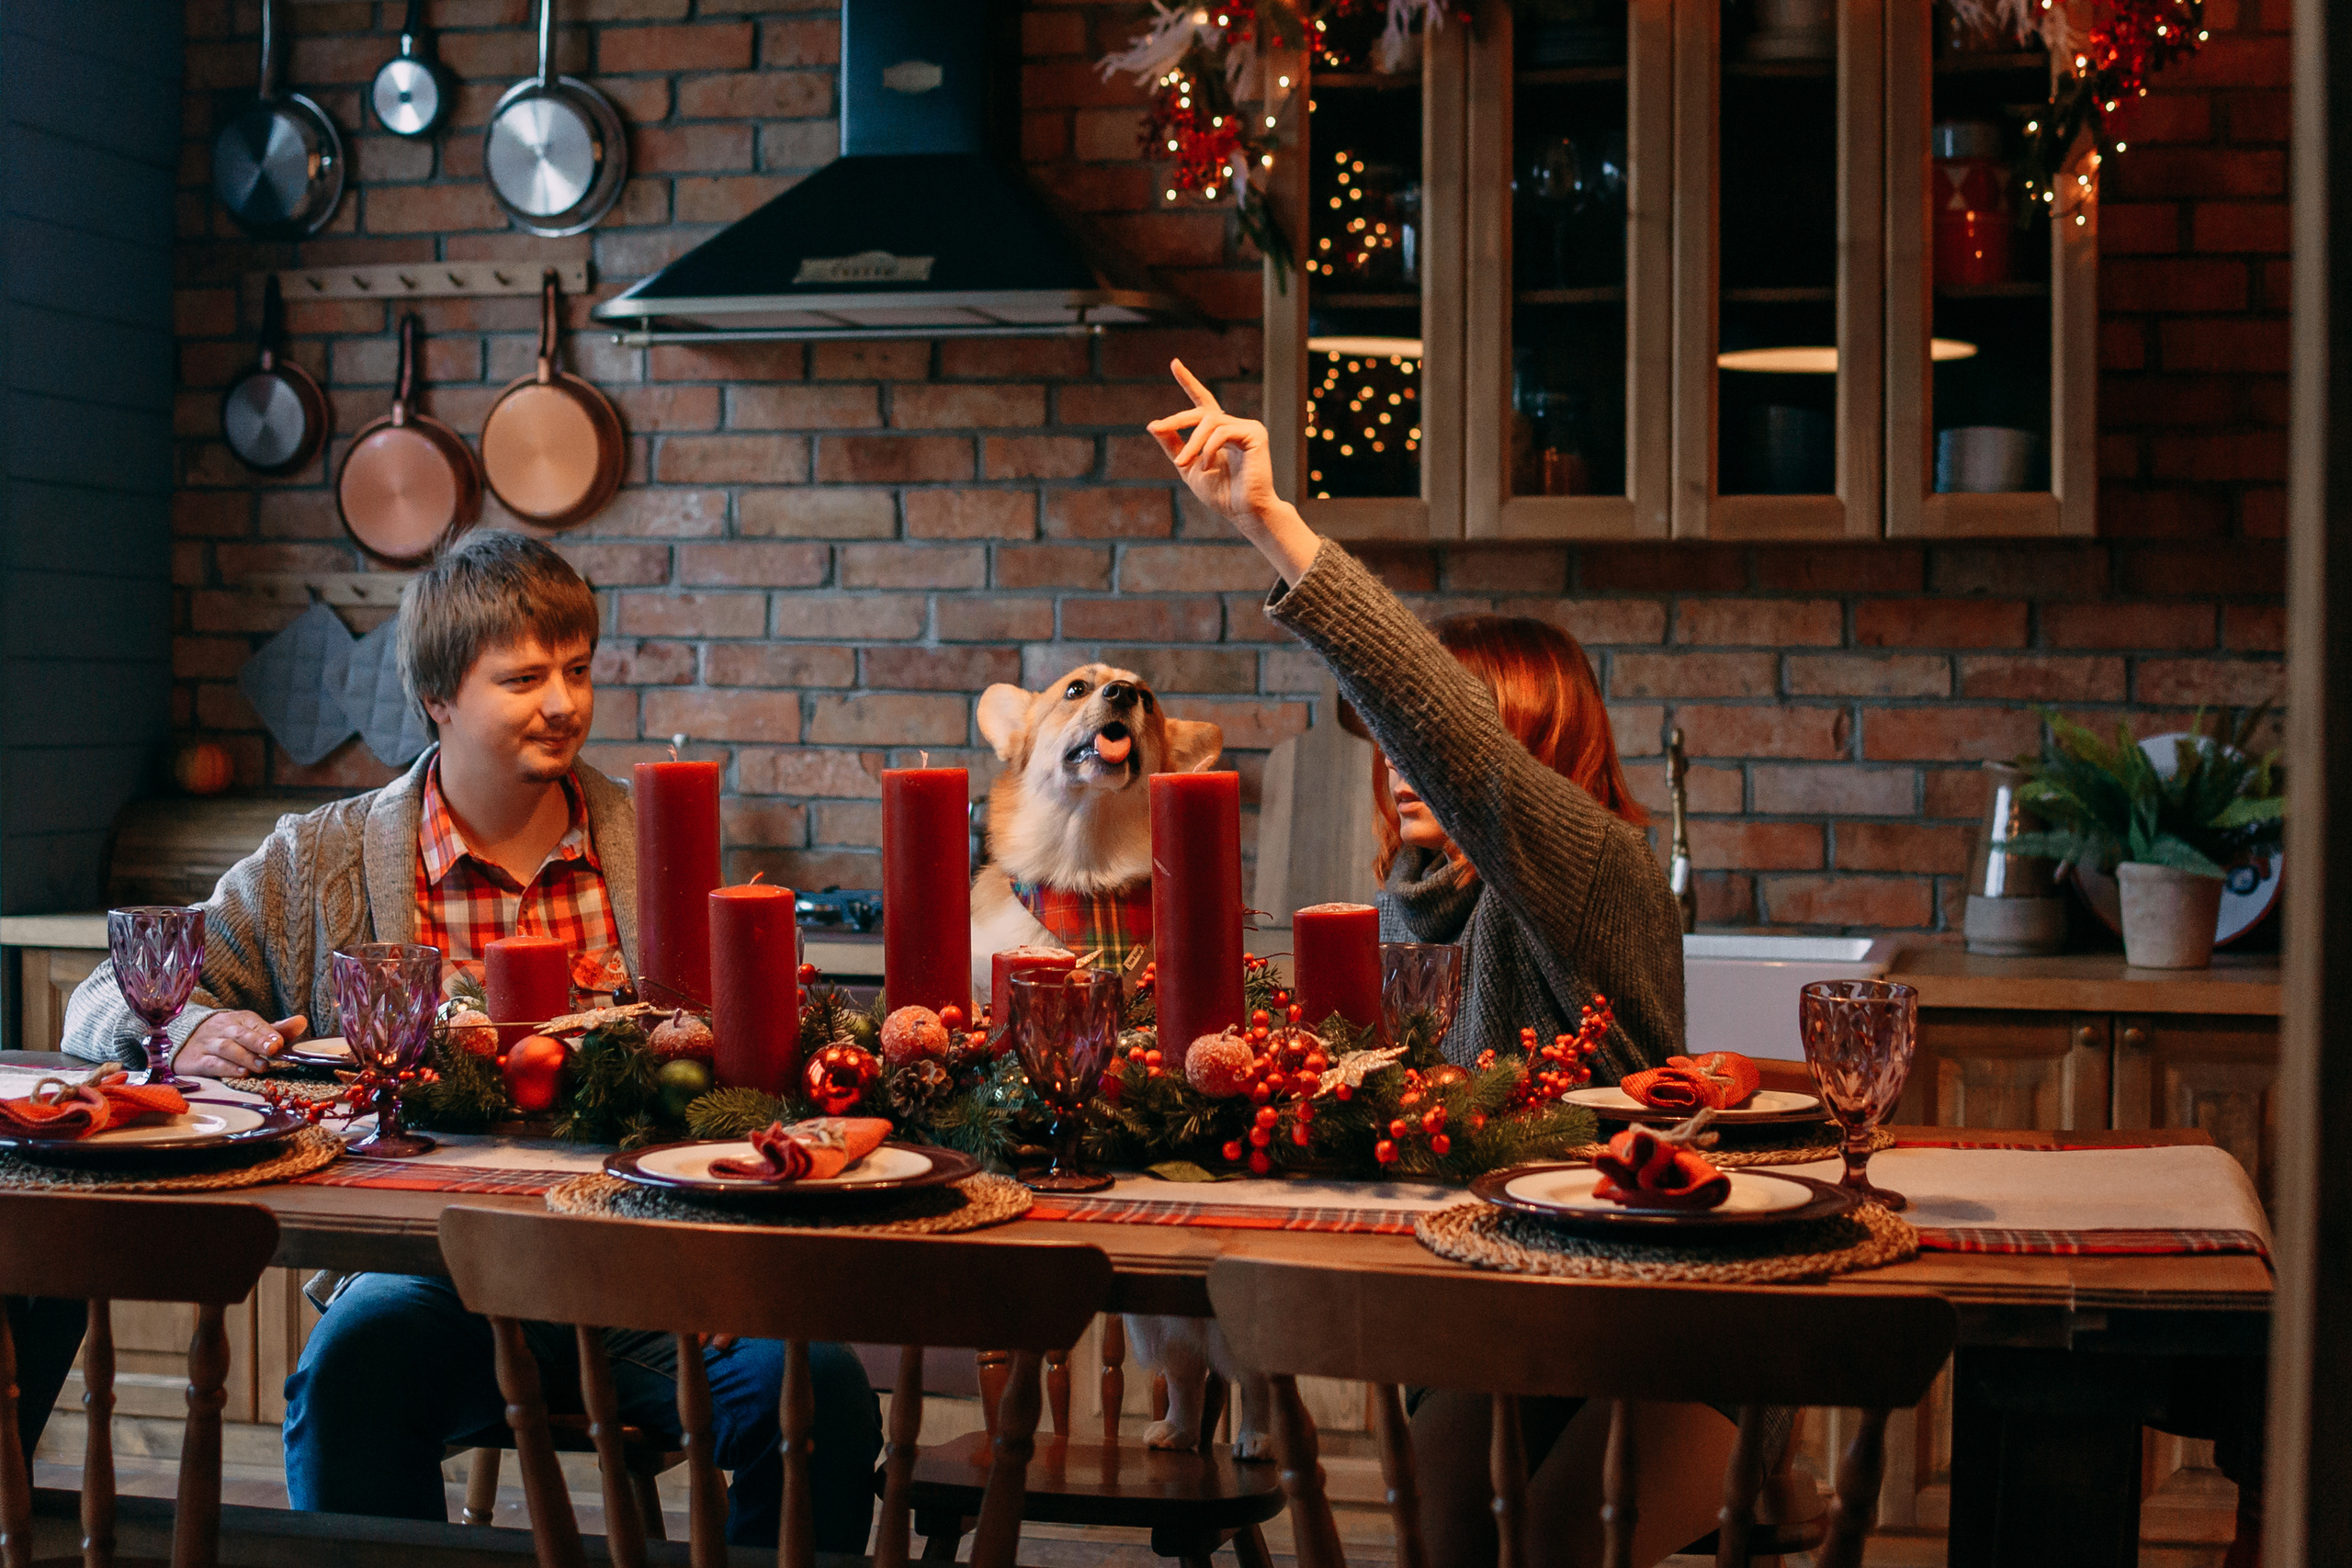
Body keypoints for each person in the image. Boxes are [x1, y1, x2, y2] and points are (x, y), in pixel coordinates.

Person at [60, 531, 880, 1549]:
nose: (563, 703)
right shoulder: (321, 857)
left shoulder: (655, 841)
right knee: (348, 1383)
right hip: (427, 1272)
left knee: (820, 1397)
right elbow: (100, 999)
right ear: (440, 696)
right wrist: (185, 1028)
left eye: (577, 670)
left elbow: (748, 1068)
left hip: (638, 1261)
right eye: (524, 677)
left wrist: (719, 1252)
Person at [1149, 362, 1736, 1567]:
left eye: (1442, 734)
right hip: (1506, 1305)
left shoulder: (1597, 864)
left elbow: (1447, 737)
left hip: (1658, 1332)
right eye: (1393, 744)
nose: (1402, 762)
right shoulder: (1425, 914)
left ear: (1521, 748)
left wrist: (1273, 523)